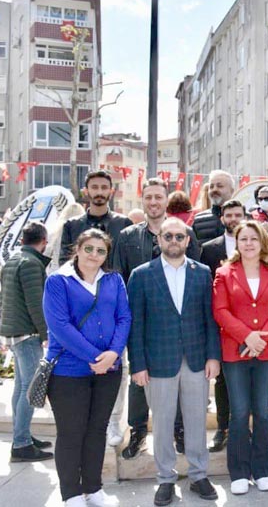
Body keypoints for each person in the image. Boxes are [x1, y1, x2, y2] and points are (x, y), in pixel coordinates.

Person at [127, 218, 221, 506]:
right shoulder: (141, 275)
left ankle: (198, 475)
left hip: (195, 359)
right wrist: (138, 365)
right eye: (168, 236)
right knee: (164, 422)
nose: (174, 241)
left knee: (195, 420)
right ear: (159, 240)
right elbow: (136, 324)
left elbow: (210, 319)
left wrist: (213, 356)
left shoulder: (202, 273)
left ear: (188, 241)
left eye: (179, 237)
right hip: (158, 361)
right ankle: (165, 478)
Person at [112, 178, 200, 457]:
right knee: (140, 375)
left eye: (158, 197)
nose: (153, 202)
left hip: (176, 322)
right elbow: (117, 279)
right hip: (139, 320)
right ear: (143, 200)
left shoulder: (185, 233)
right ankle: (138, 430)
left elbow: (196, 273)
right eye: (148, 197)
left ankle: (179, 430)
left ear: (167, 200)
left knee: (176, 374)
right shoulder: (127, 237)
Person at [43, 229, 131, 507]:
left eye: (100, 251)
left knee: (97, 429)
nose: (94, 255)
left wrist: (114, 353)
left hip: (110, 369)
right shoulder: (58, 281)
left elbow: (123, 316)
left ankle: (93, 488)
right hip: (69, 372)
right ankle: (71, 493)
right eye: (89, 248)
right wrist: (96, 358)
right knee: (71, 432)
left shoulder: (114, 280)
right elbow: (60, 326)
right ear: (78, 249)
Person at [212, 221, 268, 495]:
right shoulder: (224, 273)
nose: (248, 243)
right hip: (235, 351)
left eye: (254, 239)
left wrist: (261, 339)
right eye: (243, 239)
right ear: (236, 243)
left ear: (262, 241)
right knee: (240, 412)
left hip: (266, 352)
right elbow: (220, 310)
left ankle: (263, 469)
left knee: (263, 413)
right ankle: (239, 471)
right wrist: (247, 336)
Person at [0, 222, 53, 462]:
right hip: (26, 333)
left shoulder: (13, 260)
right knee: (29, 389)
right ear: (43, 241)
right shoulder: (31, 264)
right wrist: (46, 334)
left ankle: (23, 435)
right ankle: (21, 444)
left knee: (21, 387)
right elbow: (36, 304)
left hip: (13, 331)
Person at [199, 199, 247, 453]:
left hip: (250, 324)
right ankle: (223, 428)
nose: (233, 218)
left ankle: (245, 427)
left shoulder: (255, 245)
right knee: (222, 381)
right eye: (229, 215)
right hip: (220, 322)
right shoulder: (209, 249)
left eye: (238, 214)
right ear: (222, 219)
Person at [60, 170, 133, 264]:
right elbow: (65, 263)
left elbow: (129, 261)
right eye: (94, 187)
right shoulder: (71, 226)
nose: (99, 192)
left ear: (111, 191)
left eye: (104, 188)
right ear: (86, 191)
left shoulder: (124, 224)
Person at [191, 170, 235, 244]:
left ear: (231, 190)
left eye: (219, 186)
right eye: (211, 187)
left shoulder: (244, 218)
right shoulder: (198, 220)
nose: (214, 189)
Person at [44, 203, 86, 274]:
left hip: (56, 271)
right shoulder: (84, 232)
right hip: (79, 272)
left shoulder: (55, 232)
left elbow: (46, 253)